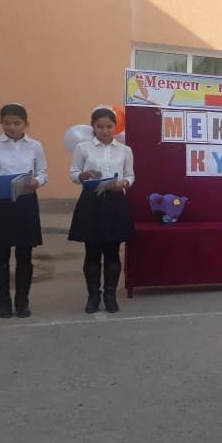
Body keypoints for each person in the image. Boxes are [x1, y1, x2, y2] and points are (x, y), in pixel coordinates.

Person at [68, 107, 135, 314]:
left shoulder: (125, 150)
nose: (105, 131)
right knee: (92, 251)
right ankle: (93, 296)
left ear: (115, 127)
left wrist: (123, 183)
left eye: (109, 126)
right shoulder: (82, 148)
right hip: (91, 202)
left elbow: (130, 175)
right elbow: (73, 173)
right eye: (100, 127)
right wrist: (83, 175)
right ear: (93, 127)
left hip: (115, 202)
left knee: (113, 251)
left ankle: (110, 295)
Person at [0, 104, 47, 318]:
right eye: (7, 123)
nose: (12, 127)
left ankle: (22, 301)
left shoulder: (35, 146)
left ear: (26, 124)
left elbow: (43, 172)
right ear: (1, 123)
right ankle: (3, 302)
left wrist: (37, 182)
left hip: (26, 202)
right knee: (0, 255)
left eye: (17, 123)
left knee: (25, 254)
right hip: (0, 203)